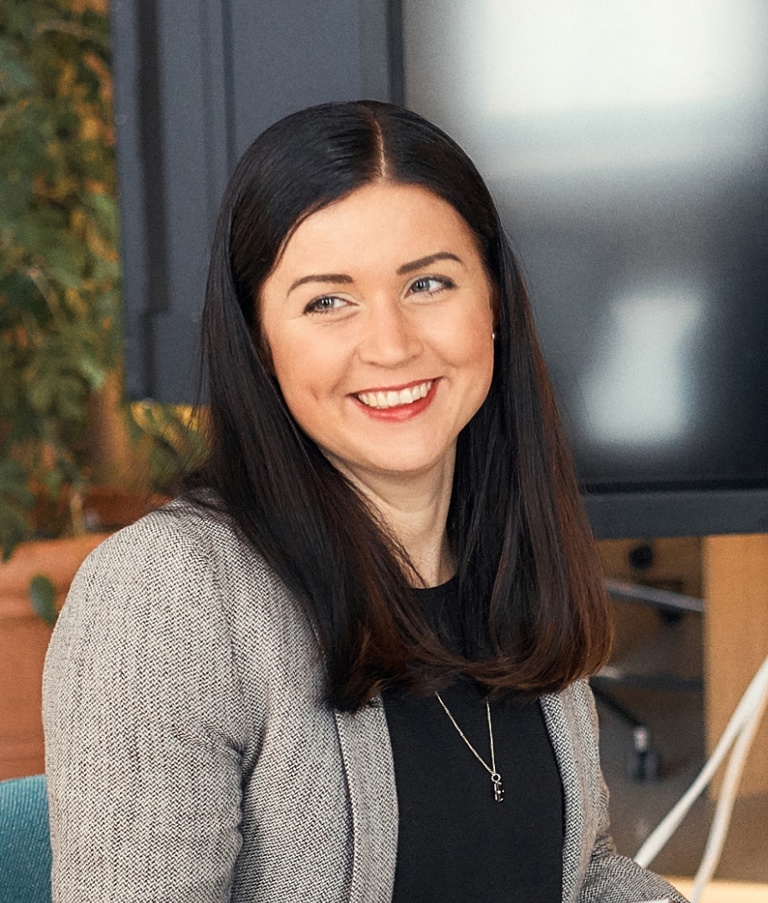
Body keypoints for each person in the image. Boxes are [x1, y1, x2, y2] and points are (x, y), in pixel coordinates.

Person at [43, 100, 687, 902]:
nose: (390, 344)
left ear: (491, 305)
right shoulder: (168, 597)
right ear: (260, 342)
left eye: (427, 282)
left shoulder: (510, 555)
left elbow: (579, 875)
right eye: (327, 300)